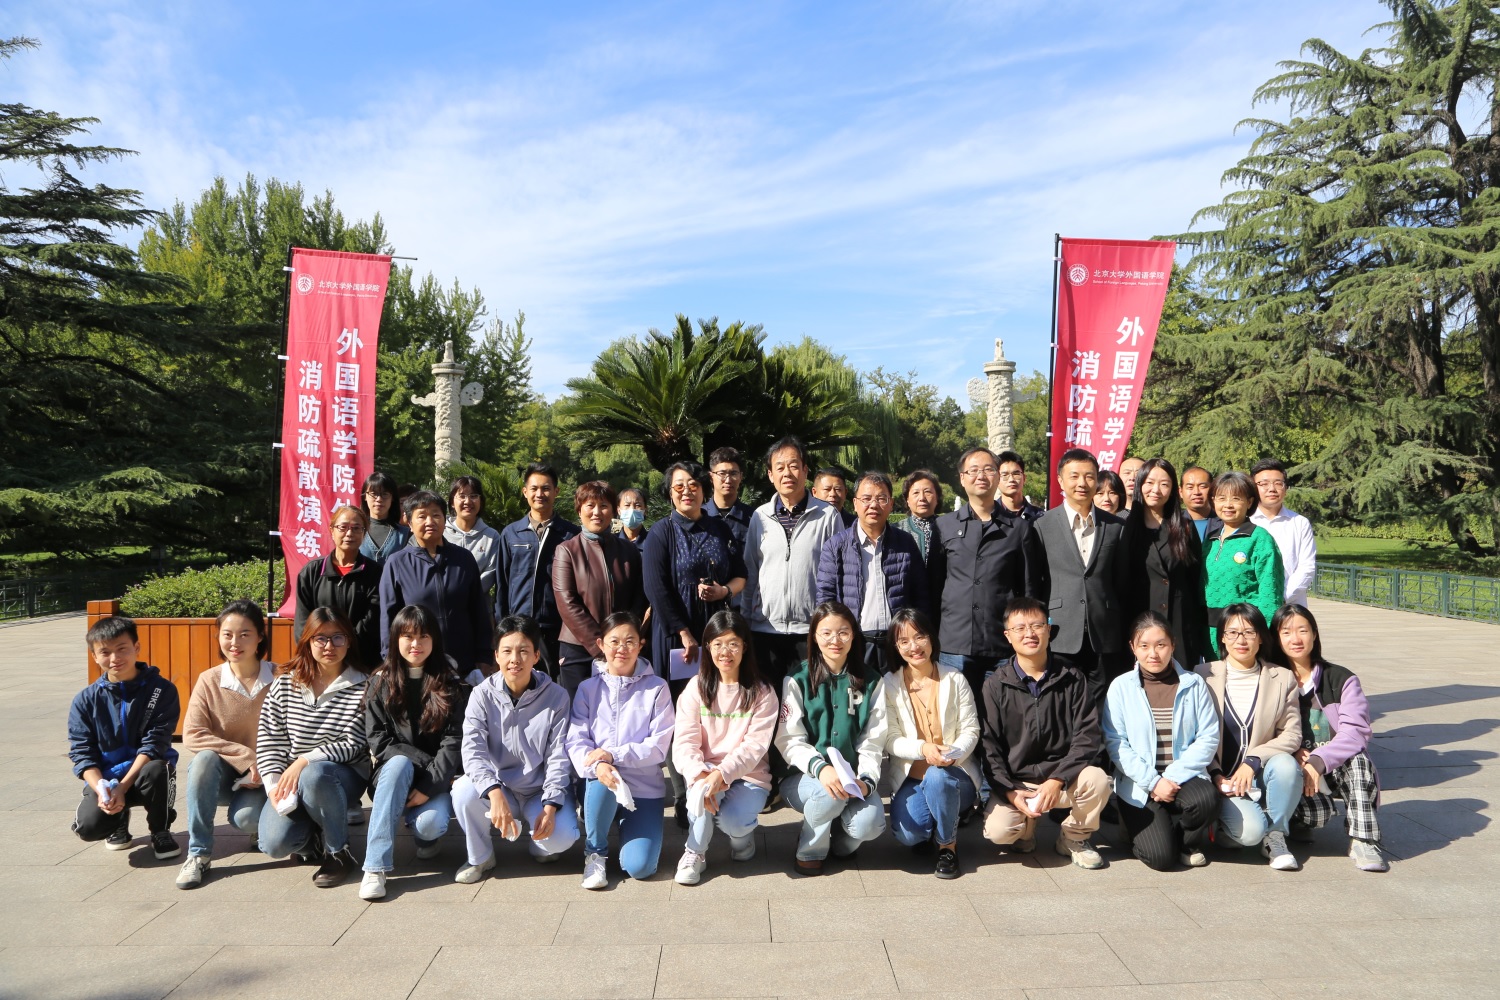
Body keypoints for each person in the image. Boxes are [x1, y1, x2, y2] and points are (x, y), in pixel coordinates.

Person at [980, 597, 1110, 870]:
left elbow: (1087, 736)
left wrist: (1058, 779)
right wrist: (1010, 792)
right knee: (999, 831)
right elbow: (989, 748)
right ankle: (1026, 830)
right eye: (1020, 628)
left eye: (1037, 625)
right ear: (1008, 636)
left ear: (1049, 630)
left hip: (1062, 779)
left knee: (1098, 780)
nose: (1029, 633)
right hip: (1018, 783)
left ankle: (1073, 838)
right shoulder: (995, 685)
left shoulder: (1072, 677)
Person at [452, 616, 579, 884]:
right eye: (507, 651)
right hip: (501, 788)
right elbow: (472, 750)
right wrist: (493, 791)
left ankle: (539, 845)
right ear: (496, 656)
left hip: (539, 790)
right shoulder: (481, 694)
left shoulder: (556, 696)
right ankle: (481, 857)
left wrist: (551, 805)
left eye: (523, 651)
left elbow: (559, 756)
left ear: (536, 656)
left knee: (562, 838)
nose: (515, 659)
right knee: (463, 791)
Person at [360, 604, 471, 900]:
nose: (415, 644)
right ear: (395, 639)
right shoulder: (379, 682)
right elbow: (379, 741)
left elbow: (454, 740)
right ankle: (375, 867)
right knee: (398, 764)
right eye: (408, 636)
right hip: (393, 774)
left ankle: (423, 838)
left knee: (430, 825)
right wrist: (424, 763)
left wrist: (428, 785)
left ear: (434, 640)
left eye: (423, 636)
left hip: (436, 779)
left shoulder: (451, 684)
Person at [1267, 604, 1389, 872]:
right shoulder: (1270, 678)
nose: (1295, 639)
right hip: (1294, 769)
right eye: (1286, 632)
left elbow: (1355, 732)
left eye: (1303, 630)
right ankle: (1297, 821)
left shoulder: (1341, 679)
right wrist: (1292, 751)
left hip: (1334, 766)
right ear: (1276, 638)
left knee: (1359, 760)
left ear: (1314, 634)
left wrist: (1318, 760)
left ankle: (1364, 841)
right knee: (1318, 815)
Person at [256, 607, 369, 887]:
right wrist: (273, 786)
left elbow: (354, 744)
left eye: (338, 638)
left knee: (315, 774)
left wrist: (304, 760)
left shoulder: (364, 685)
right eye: (320, 638)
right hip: (293, 778)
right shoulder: (285, 683)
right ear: (307, 642)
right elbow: (269, 739)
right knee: (273, 844)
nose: (329, 646)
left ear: (349, 641)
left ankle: (338, 852)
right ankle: (316, 836)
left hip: (342, 775)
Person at [775, 602, 888, 875]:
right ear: (814, 636)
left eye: (843, 632)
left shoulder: (872, 681)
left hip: (852, 779)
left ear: (853, 635)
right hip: (804, 778)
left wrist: (867, 781)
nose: (835, 640)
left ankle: (839, 844)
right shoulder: (798, 678)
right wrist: (820, 768)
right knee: (828, 796)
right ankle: (810, 850)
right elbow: (789, 739)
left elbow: (873, 740)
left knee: (871, 823)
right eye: (826, 633)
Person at [1103, 612, 1220, 871]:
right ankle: (1139, 829)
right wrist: (1153, 782)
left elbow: (1208, 737)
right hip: (1140, 782)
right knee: (1161, 859)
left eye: (1161, 644)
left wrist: (1171, 778)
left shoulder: (1194, 684)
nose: (1153, 653)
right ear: (1133, 647)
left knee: (1206, 800)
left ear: (1173, 645)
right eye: (1144, 646)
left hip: (1183, 776)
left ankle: (1187, 843)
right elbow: (1116, 743)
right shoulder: (1121, 687)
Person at [567, 612, 675, 889]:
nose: (622, 648)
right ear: (601, 645)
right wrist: (600, 764)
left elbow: (658, 746)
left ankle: (620, 822)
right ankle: (595, 852)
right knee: (604, 776)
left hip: (643, 788)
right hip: (600, 782)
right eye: (614, 641)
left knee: (640, 868)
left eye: (630, 641)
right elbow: (576, 740)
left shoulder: (657, 688)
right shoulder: (587, 688)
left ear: (641, 645)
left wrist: (613, 754)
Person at [927, 446, 1046, 697]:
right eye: (973, 470)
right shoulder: (944, 526)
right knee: (956, 713)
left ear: (998, 477)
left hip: (1001, 642)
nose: (981, 476)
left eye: (989, 469)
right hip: (955, 642)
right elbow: (934, 585)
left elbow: (1029, 589)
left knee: (1002, 712)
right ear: (962, 478)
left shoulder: (1019, 529)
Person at [671, 610, 778, 885]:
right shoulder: (696, 688)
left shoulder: (762, 692)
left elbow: (755, 746)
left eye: (732, 644)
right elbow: (684, 740)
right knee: (700, 797)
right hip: (706, 771)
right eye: (717, 644)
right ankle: (695, 852)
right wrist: (700, 775)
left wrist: (723, 773)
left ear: (745, 646)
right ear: (708, 647)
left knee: (734, 822)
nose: (725, 652)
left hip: (749, 774)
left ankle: (742, 840)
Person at [1196, 603, 1303, 871]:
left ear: (1261, 637)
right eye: (1232, 632)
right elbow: (1192, 735)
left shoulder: (1282, 678)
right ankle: (1230, 826)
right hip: (1222, 781)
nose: (1240, 640)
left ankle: (1276, 836)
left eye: (1249, 632)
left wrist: (1253, 760)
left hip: (1262, 775)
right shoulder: (1202, 676)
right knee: (1250, 834)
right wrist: (1216, 774)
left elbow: (1292, 734)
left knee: (1287, 765)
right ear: (1222, 637)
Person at [176, 600, 273, 888]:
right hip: (226, 775)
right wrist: (245, 756)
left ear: (260, 637)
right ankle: (199, 853)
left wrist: (265, 764)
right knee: (203, 760)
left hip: (269, 775)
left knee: (248, 819)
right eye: (227, 634)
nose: (235, 643)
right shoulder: (209, 680)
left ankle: (261, 826)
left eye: (245, 634)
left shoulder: (282, 677)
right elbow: (192, 733)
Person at [742, 437, 843, 708]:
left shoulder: (827, 516)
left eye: (794, 465)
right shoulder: (760, 516)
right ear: (770, 475)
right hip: (765, 629)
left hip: (810, 631)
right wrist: (748, 621)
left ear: (805, 471)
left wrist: (829, 623)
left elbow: (837, 574)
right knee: (767, 707)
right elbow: (751, 571)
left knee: (811, 706)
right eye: (780, 467)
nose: (787, 473)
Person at [879, 608, 981, 879]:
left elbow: (971, 729)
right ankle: (936, 823)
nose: (914, 646)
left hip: (954, 774)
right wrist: (922, 749)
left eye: (920, 636)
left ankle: (948, 846)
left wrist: (953, 753)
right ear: (895, 647)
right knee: (909, 834)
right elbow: (890, 738)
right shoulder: (889, 684)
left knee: (937, 777)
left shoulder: (954, 678)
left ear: (931, 638)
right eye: (904, 641)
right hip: (912, 778)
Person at [70, 616, 181, 860]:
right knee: (88, 828)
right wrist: (102, 789)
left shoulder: (162, 690)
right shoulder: (85, 700)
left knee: (158, 768)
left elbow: (155, 744)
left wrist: (124, 786)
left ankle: (160, 830)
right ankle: (117, 821)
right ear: (94, 656)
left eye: (122, 649)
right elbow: (82, 753)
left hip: (144, 774)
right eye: (105, 652)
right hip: (107, 777)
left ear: (136, 647)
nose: (114, 658)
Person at [1035, 448, 1132, 710]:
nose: (1082, 483)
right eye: (1074, 476)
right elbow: (1037, 582)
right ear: (1060, 480)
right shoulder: (1042, 526)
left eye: (1089, 476)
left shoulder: (1115, 526)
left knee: (1103, 705)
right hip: (1060, 632)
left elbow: (1122, 583)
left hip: (1104, 631)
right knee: (1061, 703)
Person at [815, 471, 928, 674]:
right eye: (866, 499)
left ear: (891, 504)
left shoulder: (905, 542)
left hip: (897, 643)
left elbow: (920, 593)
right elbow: (825, 597)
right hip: (854, 643)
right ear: (855, 503)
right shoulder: (836, 546)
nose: (873, 505)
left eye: (881, 499)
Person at [379, 490, 494, 683]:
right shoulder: (397, 563)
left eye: (436, 515)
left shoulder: (463, 559)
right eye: (422, 516)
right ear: (409, 522)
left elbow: (478, 611)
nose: (430, 521)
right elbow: (388, 617)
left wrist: (484, 657)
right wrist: (389, 659)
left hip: (463, 665)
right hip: (417, 666)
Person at [554, 480, 648, 700]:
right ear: (579, 511)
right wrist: (600, 646)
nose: (597, 512)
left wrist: (620, 640)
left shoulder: (629, 551)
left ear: (613, 511)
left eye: (604, 506)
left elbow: (639, 597)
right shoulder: (567, 550)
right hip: (578, 648)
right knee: (579, 712)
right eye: (590, 505)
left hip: (621, 649)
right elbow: (567, 602)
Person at [496, 463, 581, 676]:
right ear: (525, 492)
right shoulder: (511, 533)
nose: (539, 494)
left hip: (557, 629)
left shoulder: (570, 535)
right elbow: (502, 584)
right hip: (519, 627)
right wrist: (502, 626)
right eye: (534, 488)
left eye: (546, 488)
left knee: (554, 685)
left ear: (556, 491)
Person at [1125, 458, 1211, 667]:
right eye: (1149, 482)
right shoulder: (1125, 528)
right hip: (1140, 619)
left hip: (1179, 621)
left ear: (1173, 490)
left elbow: (1195, 578)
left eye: (1164, 484)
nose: (1156, 490)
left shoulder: (1185, 527)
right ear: (1140, 485)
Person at [1204, 471, 1285, 650]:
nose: (1228, 505)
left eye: (1236, 498)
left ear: (1249, 502)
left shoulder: (1260, 539)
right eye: (1221, 498)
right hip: (1210, 633)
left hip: (1244, 635)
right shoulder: (1210, 540)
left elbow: (1270, 593)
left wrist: (1261, 634)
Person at [295, 503, 383, 669]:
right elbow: (303, 623)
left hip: (362, 663)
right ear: (332, 530)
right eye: (343, 527)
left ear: (364, 533)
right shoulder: (311, 572)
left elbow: (372, 620)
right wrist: (323, 649)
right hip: (320, 662)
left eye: (356, 528)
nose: (349, 533)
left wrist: (343, 648)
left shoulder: (375, 573)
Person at [1250, 459, 1317, 608]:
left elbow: (1307, 567)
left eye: (1278, 483)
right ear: (1253, 488)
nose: (1272, 489)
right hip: (1251, 607)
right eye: (1264, 484)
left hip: (1289, 606)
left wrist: (1282, 597)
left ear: (1285, 488)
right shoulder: (1245, 521)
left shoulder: (1299, 523)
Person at [445, 476, 503, 598]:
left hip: (476, 604)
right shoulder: (441, 532)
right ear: (452, 502)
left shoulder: (492, 536)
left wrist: (466, 593)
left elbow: (490, 572)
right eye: (462, 496)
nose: (467, 501)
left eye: (473, 496)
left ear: (481, 501)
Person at [703, 446, 754, 550]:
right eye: (722, 473)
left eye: (733, 473)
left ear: (741, 476)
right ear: (711, 477)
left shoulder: (753, 517)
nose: (728, 480)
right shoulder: (699, 515)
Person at [360, 471, 412, 561]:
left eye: (385, 494)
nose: (379, 499)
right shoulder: (356, 530)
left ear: (392, 498)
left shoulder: (405, 534)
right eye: (373, 494)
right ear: (365, 496)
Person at [895, 469, 942, 560]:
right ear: (907, 500)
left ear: (937, 498)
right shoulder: (896, 530)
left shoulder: (949, 529)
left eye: (927, 492)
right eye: (916, 493)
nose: (922, 498)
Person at [996, 450, 1044, 522]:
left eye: (1016, 474)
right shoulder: (988, 515)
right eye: (1005, 475)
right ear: (996, 480)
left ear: (1024, 478)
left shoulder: (1040, 517)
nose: (1011, 479)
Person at [1180, 465, 1220, 542]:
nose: (1196, 492)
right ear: (1180, 492)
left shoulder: (1226, 522)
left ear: (1213, 490)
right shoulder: (1172, 523)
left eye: (1203, 486)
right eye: (1190, 487)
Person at [616, 486, 651, 552]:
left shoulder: (653, 541)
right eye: (627, 505)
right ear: (619, 510)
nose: (632, 509)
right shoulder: (611, 543)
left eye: (637, 505)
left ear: (645, 510)